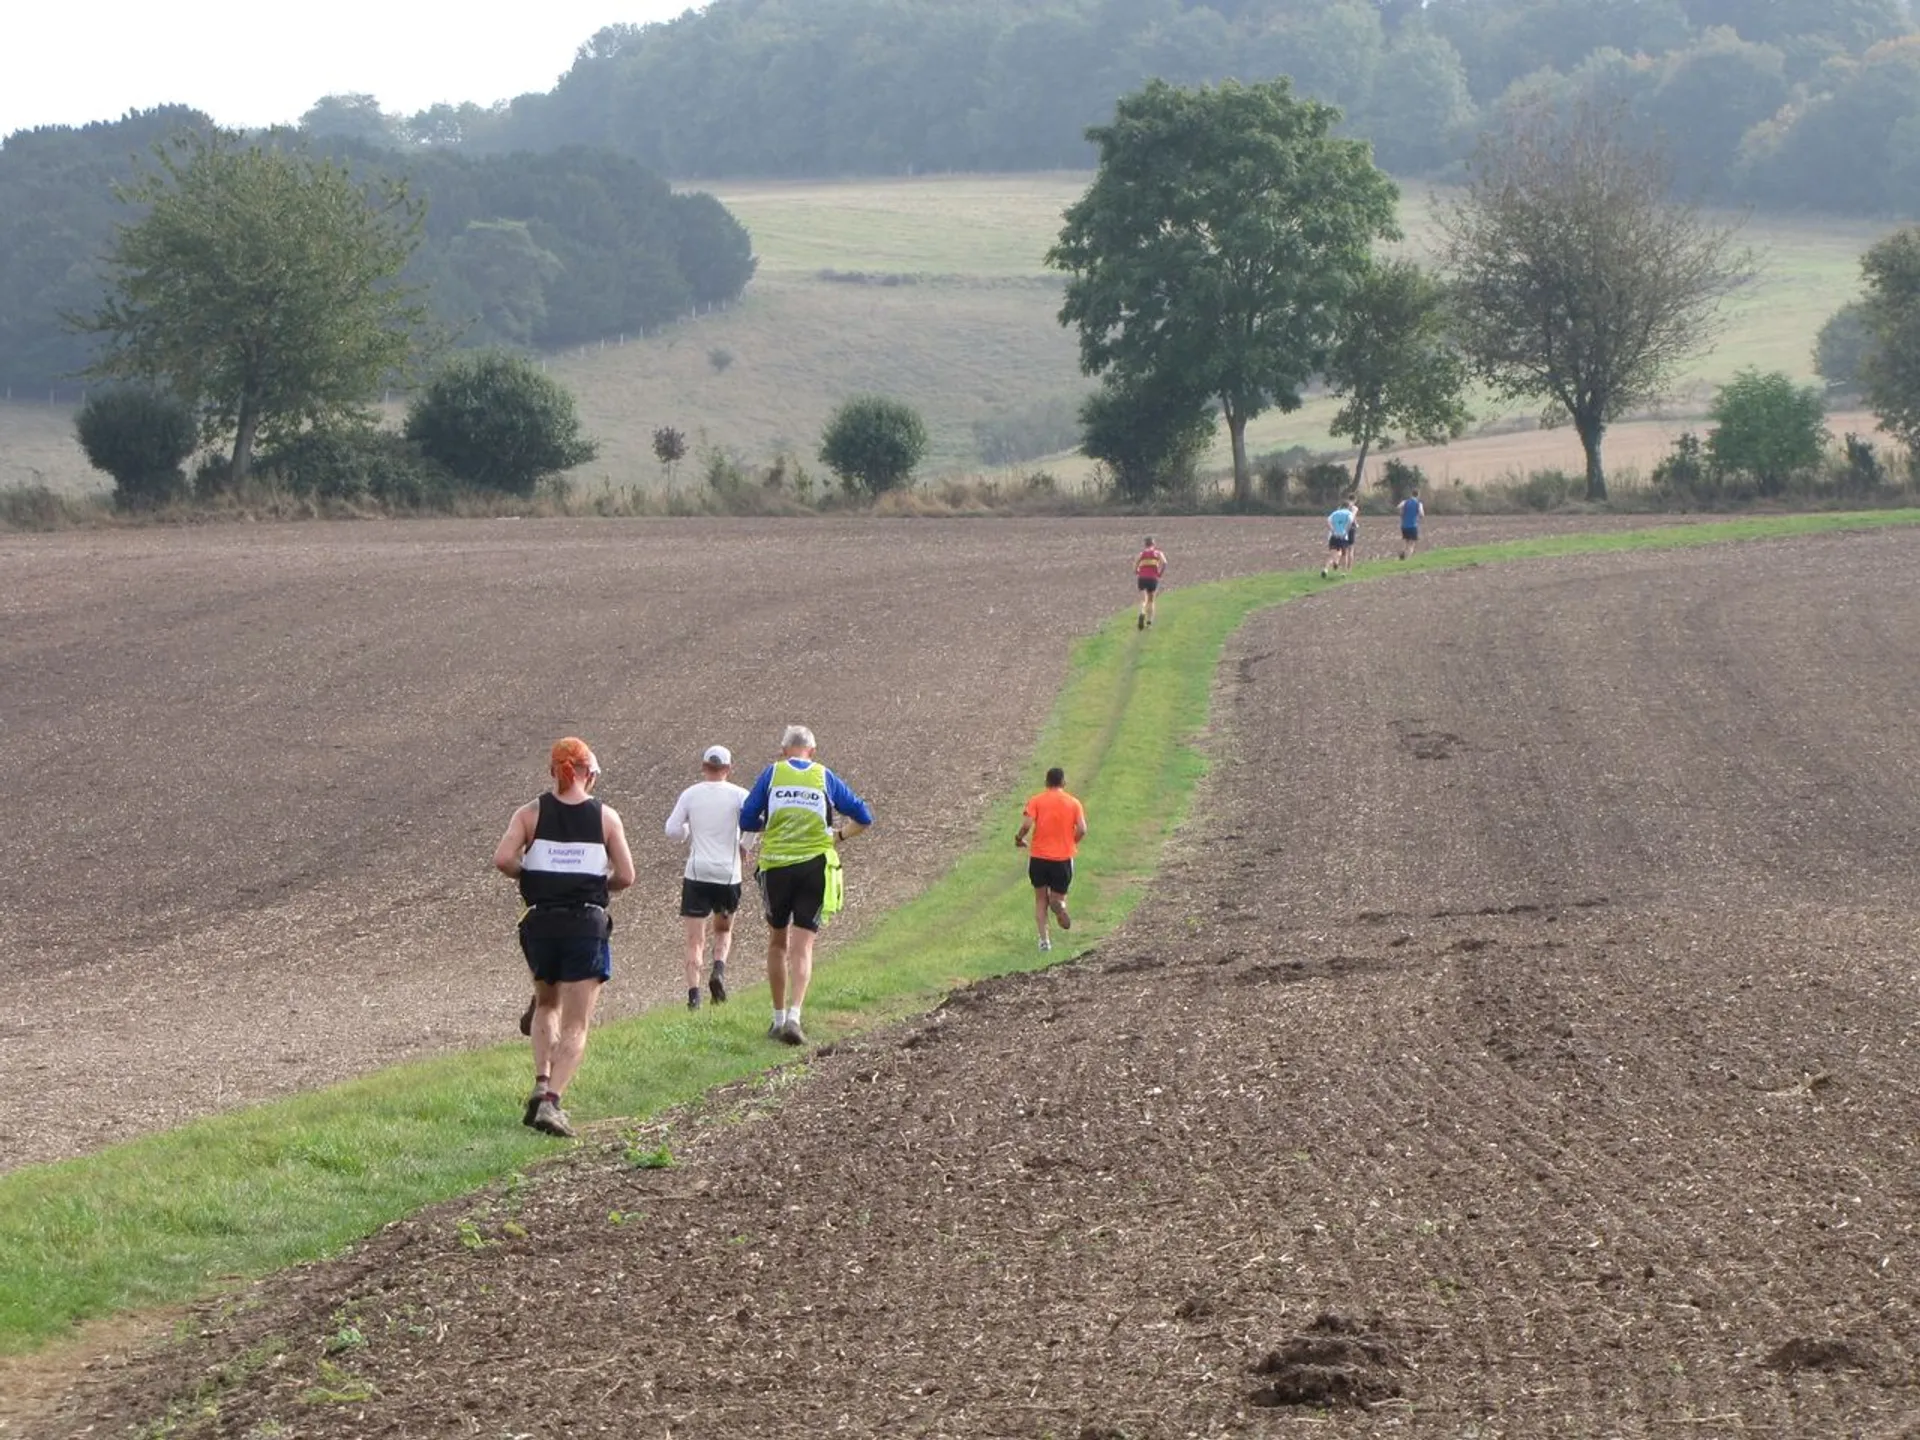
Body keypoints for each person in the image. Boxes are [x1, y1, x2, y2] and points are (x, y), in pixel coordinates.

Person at [493, 738, 635, 1139]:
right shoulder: (606, 818)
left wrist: (534, 876)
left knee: (545, 1002)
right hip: (585, 925)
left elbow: (503, 859)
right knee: (577, 1022)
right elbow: (626, 875)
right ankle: (552, 1104)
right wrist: (592, 881)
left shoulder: (529, 814)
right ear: (588, 774)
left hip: (540, 923)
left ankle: (540, 1082)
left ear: (554, 772)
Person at [739, 725, 874, 1047]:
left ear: (784, 750)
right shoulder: (824, 777)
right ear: (811, 752)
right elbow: (864, 816)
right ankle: (796, 1015)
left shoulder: (772, 774)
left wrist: (770, 821)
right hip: (815, 866)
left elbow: (746, 820)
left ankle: (777, 1019)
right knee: (803, 945)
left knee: (777, 941)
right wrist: (839, 836)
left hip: (775, 868)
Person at [665, 744, 752, 1010]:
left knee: (695, 939)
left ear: (704, 767)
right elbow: (755, 823)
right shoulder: (740, 796)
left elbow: (671, 829)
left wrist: (687, 832)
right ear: (728, 769)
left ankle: (693, 997)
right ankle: (718, 971)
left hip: (697, 872)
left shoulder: (691, 794)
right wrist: (744, 846)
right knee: (723, 929)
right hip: (727, 873)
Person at [1015, 766, 1086, 952]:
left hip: (1039, 857)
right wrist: (1072, 842)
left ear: (1046, 782)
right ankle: (1060, 906)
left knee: (1040, 899)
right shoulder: (1073, 803)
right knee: (1057, 896)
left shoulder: (1036, 800)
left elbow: (1027, 824)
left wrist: (1019, 838)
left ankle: (1044, 941)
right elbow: (1082, 829)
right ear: (1063, 782)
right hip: (1062, 858)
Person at [1134, 537, 1168, 629]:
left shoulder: (1141, 554)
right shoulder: (1158, 553)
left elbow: (1135, 566)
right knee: (1151, 600)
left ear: (1145, 544)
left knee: (1143, 599)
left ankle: (1142, 612)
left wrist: (1137, 571)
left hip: (1142, 578)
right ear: (1154, 544)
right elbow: (1165, 563)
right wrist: (1160, 573)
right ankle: (1149, 623)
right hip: (1153, 578)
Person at [1321, 501, 1356, 577]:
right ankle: (1343, 572)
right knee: (1344, 555)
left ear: (1341, 506)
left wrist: (1333, 530)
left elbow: (1328, 521)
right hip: (1343, 537)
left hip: (1334, 536)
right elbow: (1350, 521)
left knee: (1332, 554)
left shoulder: (1335, 513)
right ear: (1348, 507)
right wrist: (1346, 531)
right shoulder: (1349, 513)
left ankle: (1326, 569)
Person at [1398, 490, 1426, 559]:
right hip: (1413, 525)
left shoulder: (1405, 502)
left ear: (1411, 494)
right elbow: (1422, 515)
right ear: (1418, 495)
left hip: (1404, 526)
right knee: (1412, 543)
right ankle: (1408, 558)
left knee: (1405, 540)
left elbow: (1399, 508)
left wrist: (1402, 515)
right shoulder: (1419, 503)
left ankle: (1402, 552)